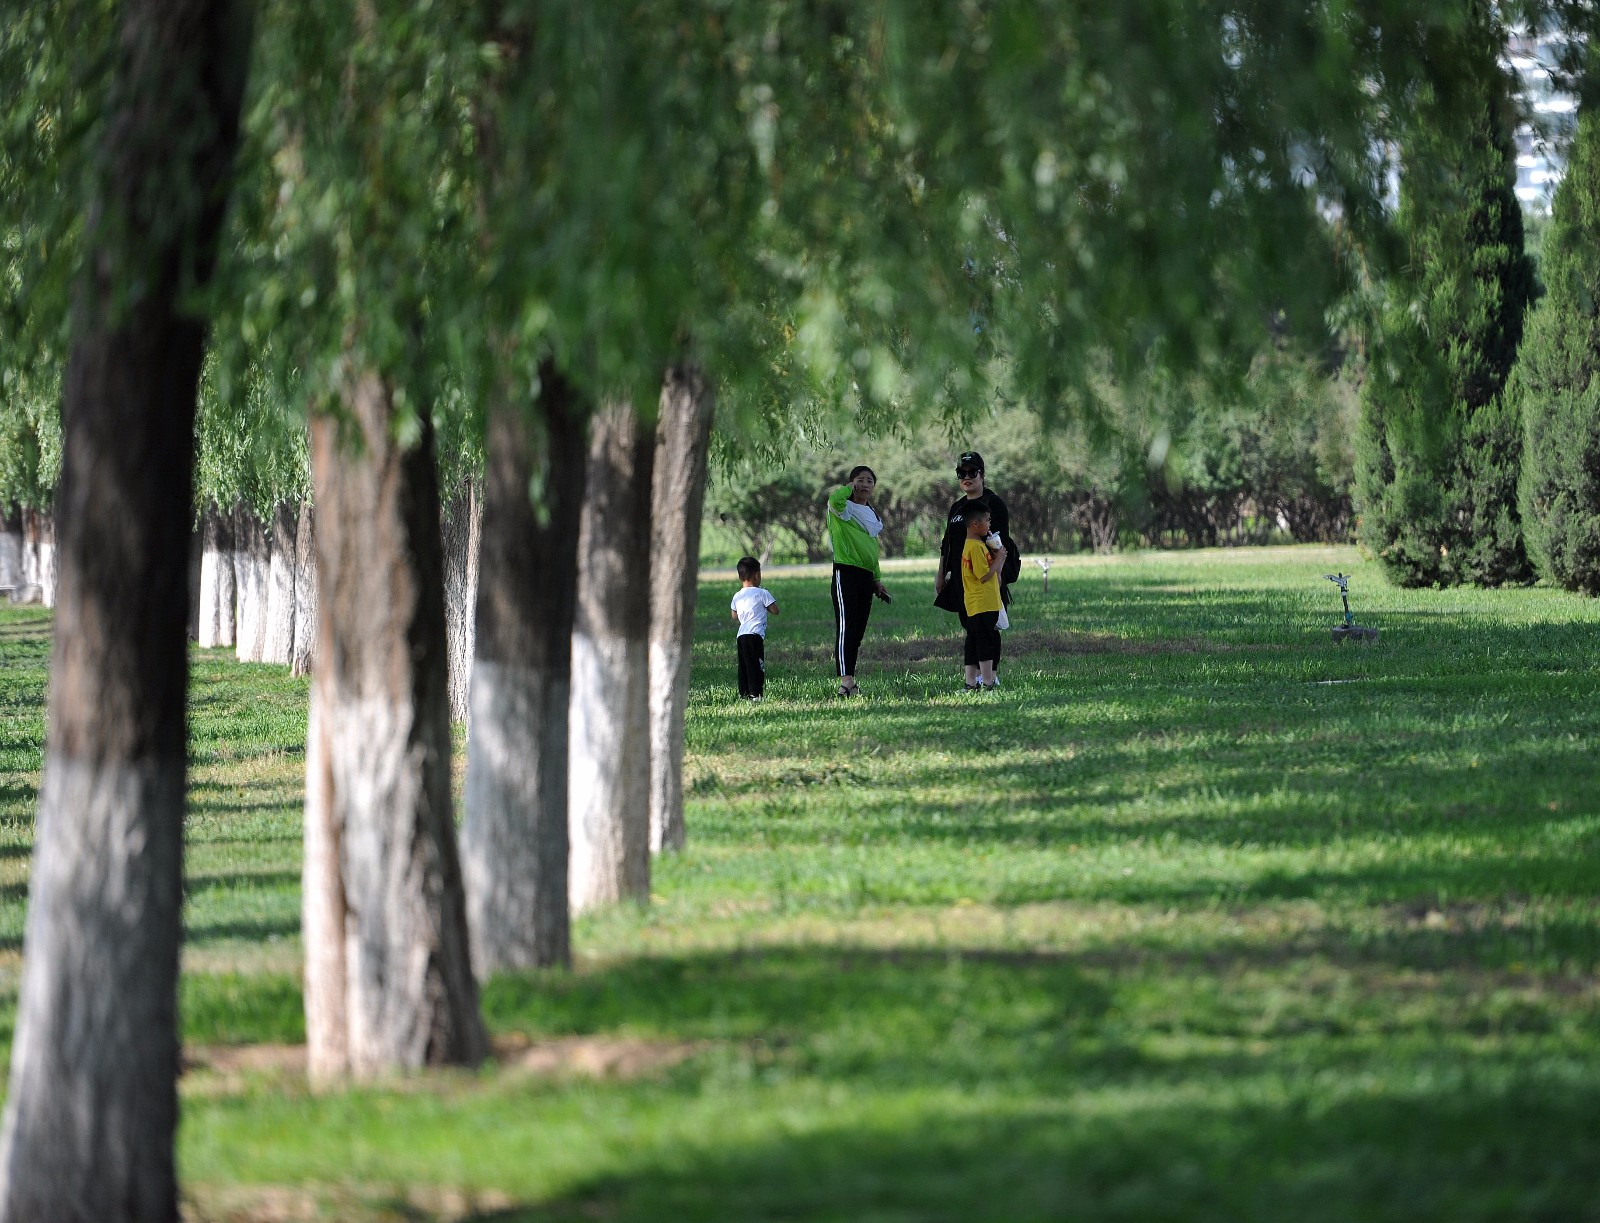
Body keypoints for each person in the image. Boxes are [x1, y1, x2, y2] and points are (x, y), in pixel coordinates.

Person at [935, 450, 1014, 678]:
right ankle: (973, 677)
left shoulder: (994, 503)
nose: (966, 477)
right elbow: (947, 544)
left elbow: (1000, 542)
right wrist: (941, 574)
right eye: (961, 473)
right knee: (970, 626)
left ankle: (989, 676)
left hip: (987, 575)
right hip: (963, 577)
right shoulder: (957, 507)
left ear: (982, 474)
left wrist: (998, 574)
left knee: (988, 626)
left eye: (972, 472)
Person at [826, 465, 891, 697]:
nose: (865, 484)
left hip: (866, 575)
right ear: (852, 483)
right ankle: (845, 683)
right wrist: (847, 488)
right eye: (860, 480)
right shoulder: (842, 508)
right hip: (846, 572)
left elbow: (872, 549)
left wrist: (877, 579)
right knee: (847, 627)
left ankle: (851, 682)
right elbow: (834, 499)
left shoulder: (871, 514)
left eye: (869, 481)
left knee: (858, 631)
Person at [959, 504, 1003, 689]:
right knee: (986, 642)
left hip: (975, 603)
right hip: (984, 603)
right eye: (987, 520)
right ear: (975, 523)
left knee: (973, 641)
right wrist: (998, 559)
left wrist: (998, 559)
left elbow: (995, 577)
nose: (989, 524)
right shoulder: (976, 547)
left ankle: (970, 682)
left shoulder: (972, 545)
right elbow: (984, 576)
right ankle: (987, 682)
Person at [730, 556, 779, 700]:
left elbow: (734, 615)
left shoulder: (737, 596)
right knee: (756, 665)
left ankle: (744, 693)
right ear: (757, 575)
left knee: (744, 665)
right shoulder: (762, 593)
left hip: (741, 635)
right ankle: (756, 694)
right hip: (755, 635)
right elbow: (775, 610)